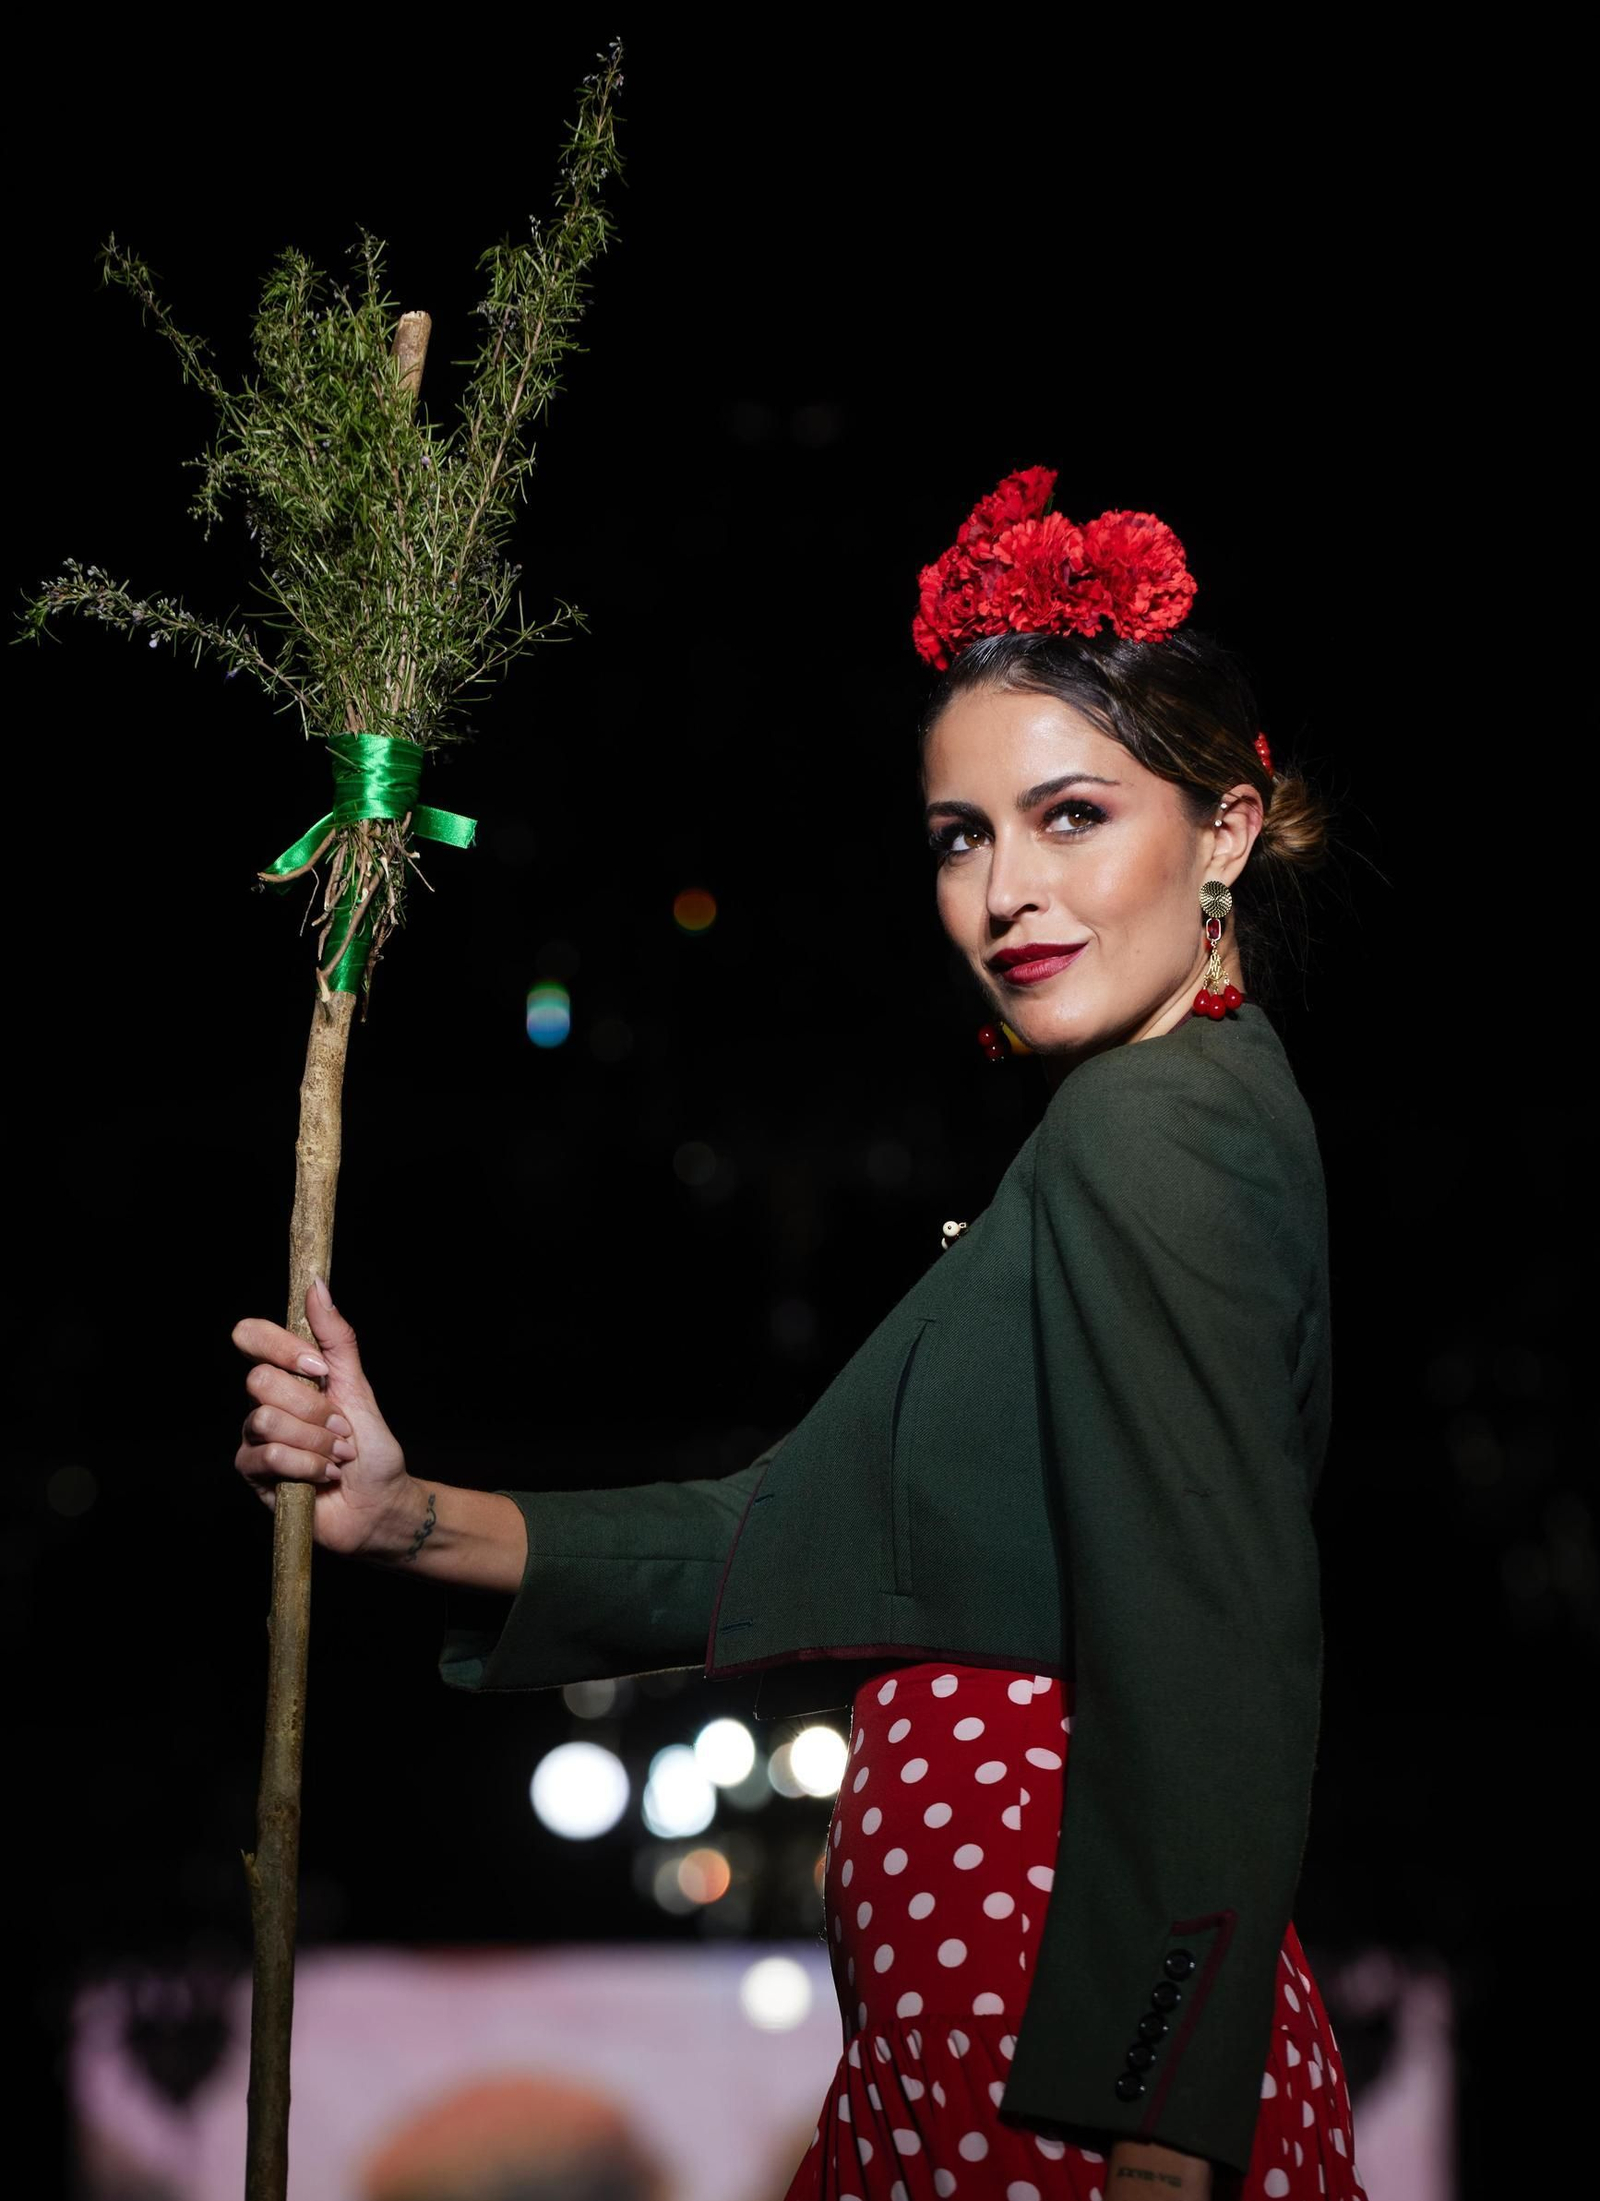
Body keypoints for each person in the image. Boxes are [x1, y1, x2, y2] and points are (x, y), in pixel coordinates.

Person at [233, 468, 1368, 2201]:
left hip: (1058, 2048)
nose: (1005, 893)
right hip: (989, 2031)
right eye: (962, 836)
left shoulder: (1160, 1132)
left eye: (1072, 817)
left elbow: (1222, 1656)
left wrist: (1157, 2135)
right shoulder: (1148, 1126)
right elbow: (778, 1531)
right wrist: (408, 1513)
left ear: (1223, 830)